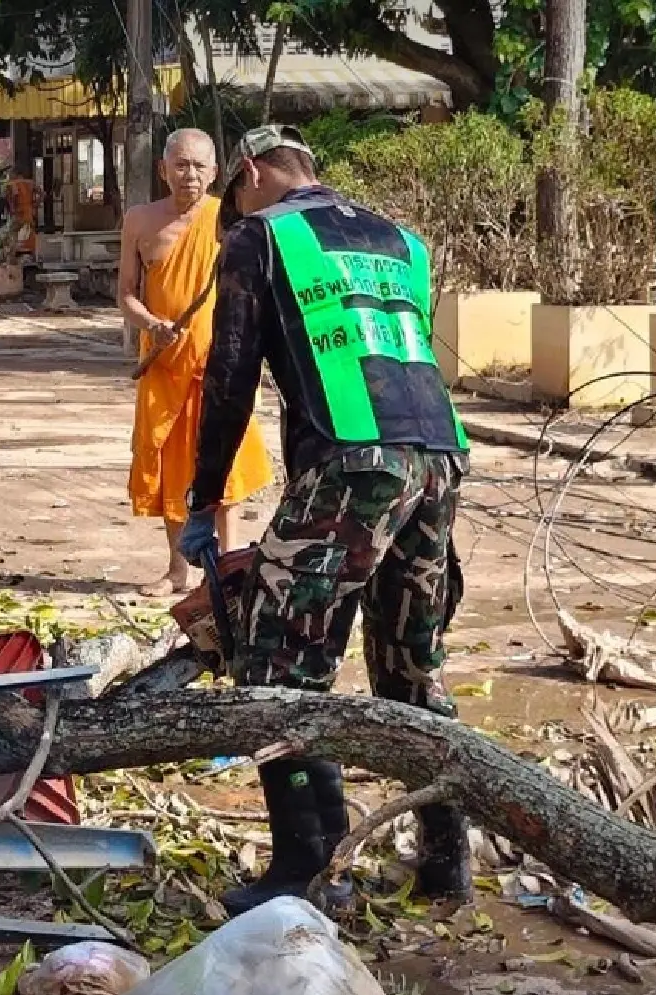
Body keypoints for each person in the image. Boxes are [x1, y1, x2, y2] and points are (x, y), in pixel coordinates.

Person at [180, 126, 473, 916]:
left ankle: (312, 869)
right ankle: (446, 863)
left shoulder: (259, 235)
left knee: (279, 666)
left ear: (249, 174)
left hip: (354, 460)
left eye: (232, 193)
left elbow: (231, 375)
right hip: (439, 454)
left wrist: (206, 497)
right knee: (411, 664)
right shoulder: (398, 239)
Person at [117, 128, 274, 598]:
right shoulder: (140, 221)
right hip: (164, 364)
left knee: (221, 465)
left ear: (215, 173)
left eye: (199, 167)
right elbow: (125, 293)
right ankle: (176, 569)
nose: (189, 176)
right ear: (163, 169)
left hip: (221, 364)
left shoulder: (233, 219)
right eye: (180, 165)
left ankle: (223, 569)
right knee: (169, 467)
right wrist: (150, 323)